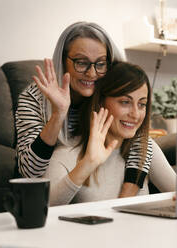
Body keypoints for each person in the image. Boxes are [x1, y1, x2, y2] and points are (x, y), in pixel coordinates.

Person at [15, 22, 153, 196]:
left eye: (100, 64)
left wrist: (127, 193)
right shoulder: (35, 97)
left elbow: (140, 135)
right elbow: (30, 173)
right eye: (81, 63)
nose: (92, 73)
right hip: (42, 192)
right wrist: (58, 114)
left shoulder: (104, 93)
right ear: (63, 61)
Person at [43, 61, 177, 206]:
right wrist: (88, 163)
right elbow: (44, 208)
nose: (136, 114)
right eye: (125, 102)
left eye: (142, 104)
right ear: (100, 102)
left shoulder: (144, 148)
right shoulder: (66, 153)